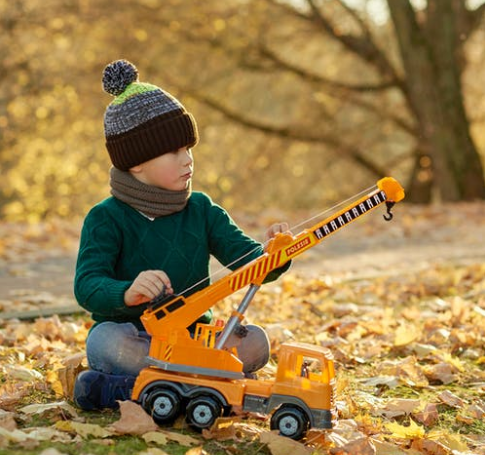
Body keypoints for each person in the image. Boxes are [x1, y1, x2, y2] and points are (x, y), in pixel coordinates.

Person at [73, 59, 291, 411]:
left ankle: (138, 388)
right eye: (174, 152)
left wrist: (277, 250)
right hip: (135, 336)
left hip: (192, 338)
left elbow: (252, 263)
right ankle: (207, 384)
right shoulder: (105, 218)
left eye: (189, 149)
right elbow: (87, 286)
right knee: (106, 344)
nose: (187, 159)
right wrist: (126, 292)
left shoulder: (202, 210)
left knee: (257, 344)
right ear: (137, 162)